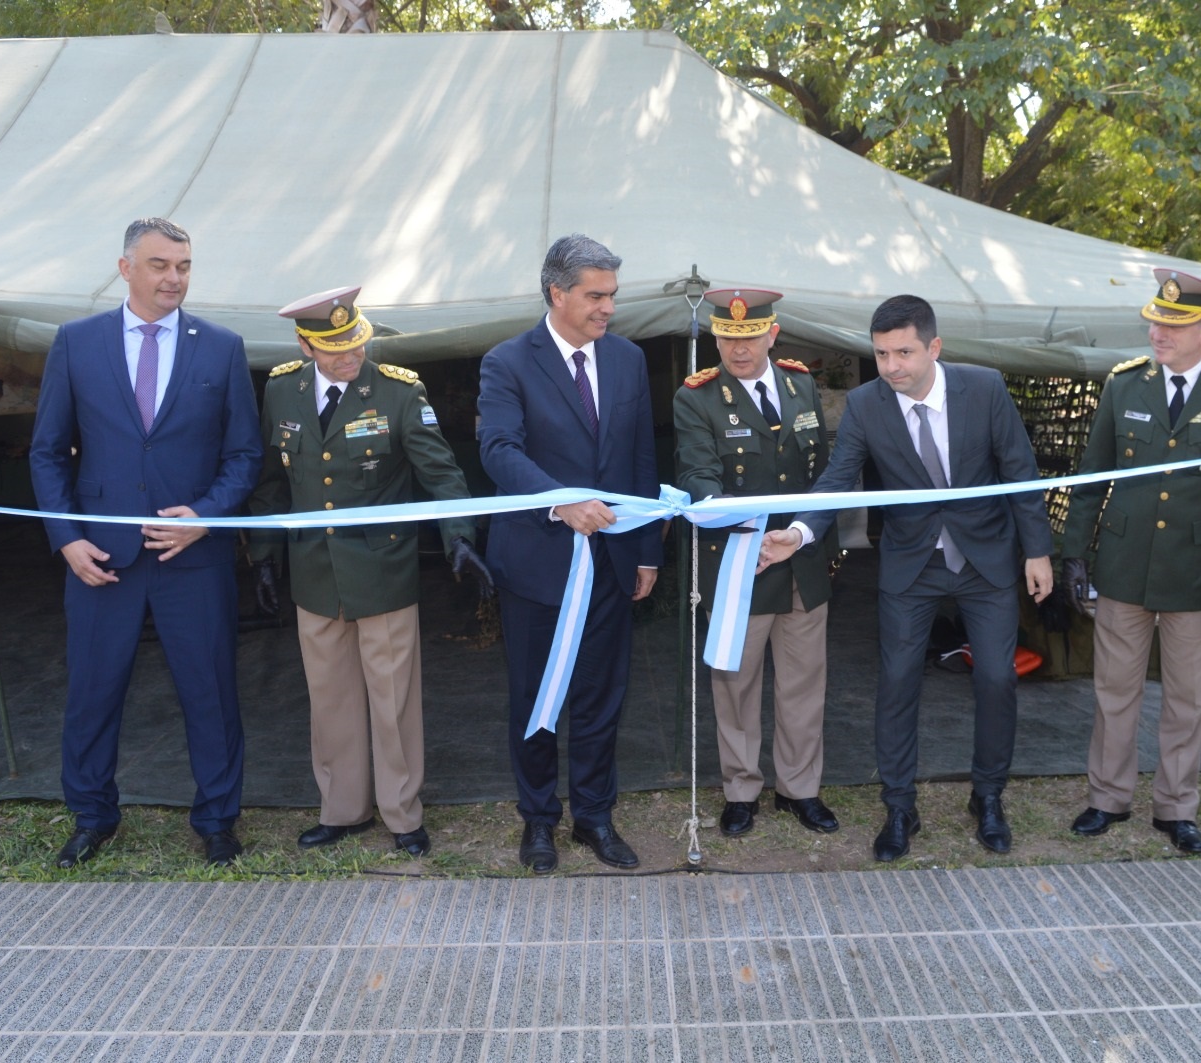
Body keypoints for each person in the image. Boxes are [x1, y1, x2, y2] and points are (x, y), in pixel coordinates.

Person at [758, 294, 1054, 860]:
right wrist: (797, 533)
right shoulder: (868, 405)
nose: (892, 366)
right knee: (897, 682)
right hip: (911, 565)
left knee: (996, 678)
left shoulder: (985, 388)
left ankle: (988, 797)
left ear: (934, 348)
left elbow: (1020, 469)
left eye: (904, 352)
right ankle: (899, 806)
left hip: (986, 562)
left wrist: (1036, 552)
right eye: (881, 354)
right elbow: (839, 476)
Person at [29, 218, 261, 868]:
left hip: (195, 559)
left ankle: (218, 819)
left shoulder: (220, 347)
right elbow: (47, 453)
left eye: (184, 266)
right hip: (101, 559)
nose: (174, 278)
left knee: (210, 691)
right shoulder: (76, 344)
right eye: (160, 265)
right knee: (92, 692)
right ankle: (92, 815)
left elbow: (245, 453)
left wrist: (207, 515)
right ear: (125, 267)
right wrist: (67, 540)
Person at [248, 286, 492, 858]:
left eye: (355, 341)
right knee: (329, 697)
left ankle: (403, 813)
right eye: (334, 348)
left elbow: (443, 475)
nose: (350, 356)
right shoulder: (282, 391)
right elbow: (270, 482)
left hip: (382, 572)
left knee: (392, 699)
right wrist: (262, 556)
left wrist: (459, 538)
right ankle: (343, 809)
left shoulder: (399, 393)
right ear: (305, 345)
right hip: (314, 572)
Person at [1060, 269, 1201, 854]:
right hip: (1125, 563)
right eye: (1155, 321)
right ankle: (1107, 797)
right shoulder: (1124, 386)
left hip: (1199, 572)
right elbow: (1090, 479)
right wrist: (1074, 553)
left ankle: (1177, 808)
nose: (1158, 333)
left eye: (1174, 325)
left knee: (1188, 696)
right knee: (1114, 690)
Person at [478, 234, 662, 873]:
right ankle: (537, 822)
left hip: (611, 563)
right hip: (538, 565)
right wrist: (560, 502)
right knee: (537, 697)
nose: (608, 307)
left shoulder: (628, 360)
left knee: (600, 695)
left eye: (612, 294)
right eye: (595, 295)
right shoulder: (507, 362)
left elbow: (640, 456)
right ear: (556, 293)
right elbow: (499, 450)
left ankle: (595, 818)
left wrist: (645, 550)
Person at [672, 288, 839, 838]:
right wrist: (746, 529)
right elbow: (698, 477)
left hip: (802, 560)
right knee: (736, 684)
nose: (736, 350)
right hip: (740, 563)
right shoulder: (696, 398)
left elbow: (822, 476)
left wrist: (797, 535)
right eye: (726, 338)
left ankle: (799, 789)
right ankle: (741, 789)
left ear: (772, 334)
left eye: (747, 338)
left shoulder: (802, 384)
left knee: (802, 683)